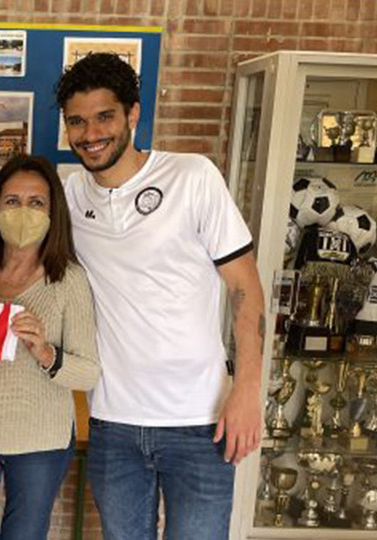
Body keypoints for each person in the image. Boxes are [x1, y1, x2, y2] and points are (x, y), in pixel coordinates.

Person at [55, 53, 264, 539]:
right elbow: (9, 218)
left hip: (201, 420)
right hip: (113, 423)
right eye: (77, 122)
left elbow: (245, 288)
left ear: (132, 114)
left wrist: (248, 392)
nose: (90, 135)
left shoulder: (192, 176)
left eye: (104, 117)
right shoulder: (70, 194)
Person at [0, 154, 100, 540]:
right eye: (12, 202)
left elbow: (89, 371)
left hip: (40, 440)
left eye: (36, 203)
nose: (23, 211)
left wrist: (46, 352)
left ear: (52, 212)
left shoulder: (69, 281)